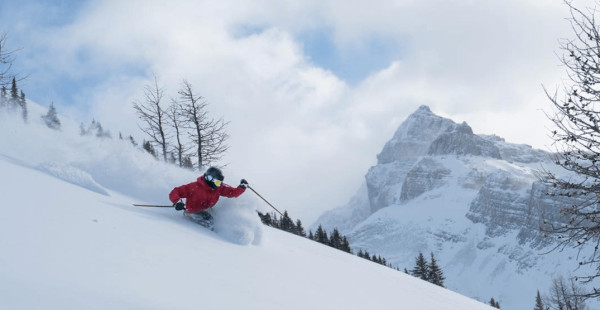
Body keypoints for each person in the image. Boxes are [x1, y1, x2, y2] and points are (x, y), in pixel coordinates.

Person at [169, 166, 248, 226]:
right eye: (217, 182)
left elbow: (232, 192)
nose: (219, 185)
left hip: (208, 210)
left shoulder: (218, 188)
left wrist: (241, 187)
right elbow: (175, 192)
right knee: (210, 220)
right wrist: (177, 202)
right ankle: (214, 238)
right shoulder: (193, 187)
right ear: (209, 178)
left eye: (219, 183)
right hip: (192, 213)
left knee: (220, 218)